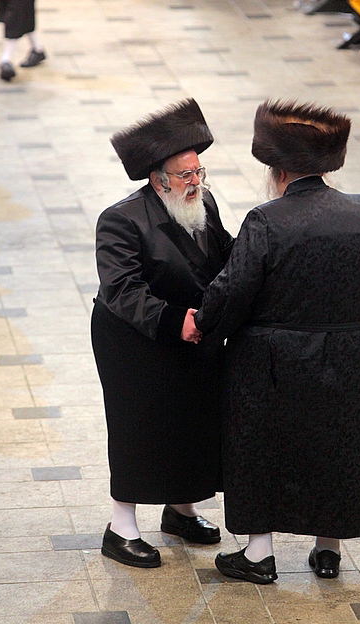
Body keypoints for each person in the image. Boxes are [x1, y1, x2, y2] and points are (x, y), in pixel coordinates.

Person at [185, 99, 360, 584]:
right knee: (341, 441)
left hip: (275, 359)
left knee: (260, 447)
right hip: (356, 352)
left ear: (277, 169)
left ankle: (259, 555)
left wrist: (205, 324)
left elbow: (233, 288)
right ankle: (328, 550)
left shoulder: (267, 220)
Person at [91, 98, 233, 568]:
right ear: (159, 179)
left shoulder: (204, 202)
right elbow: (122, 290)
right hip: (134, 338)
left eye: (199, 172)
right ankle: (121, 526)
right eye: (186, 175)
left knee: (192, 417)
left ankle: (180, 510)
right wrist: (178, 322)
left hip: (192, 330)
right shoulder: (121, 219)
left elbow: (226, 255)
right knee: (139, 425)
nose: (197, 182)